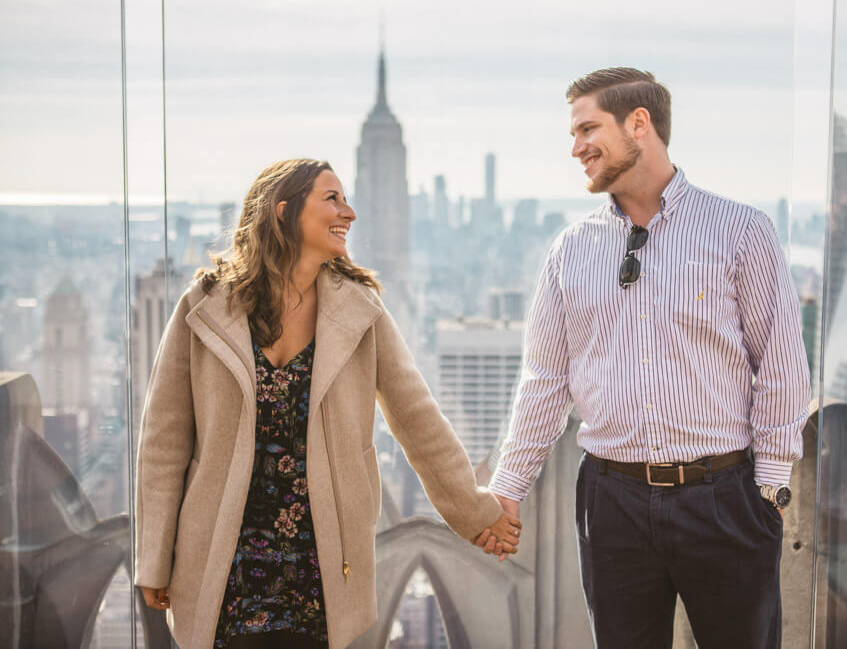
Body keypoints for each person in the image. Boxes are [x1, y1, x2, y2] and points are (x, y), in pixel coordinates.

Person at [134, 158, 521, 649]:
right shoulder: (205, 306)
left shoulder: (360, 309)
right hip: (221, 559)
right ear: (283, 212)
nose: (350, 212)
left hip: (320, 562)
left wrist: (475, 512)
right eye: (332, 199)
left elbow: (417, 420)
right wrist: (155, 557)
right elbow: (163, 441)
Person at [485, 68, 811, 648]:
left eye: (588, 128)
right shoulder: (570, 250)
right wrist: (509, 488)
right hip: (612, 503)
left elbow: (781, 368)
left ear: (640, 124)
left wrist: (768, 493)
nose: (576, 147)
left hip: (724, 497)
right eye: (573, 133)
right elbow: (544, 381)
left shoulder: (740, 231)